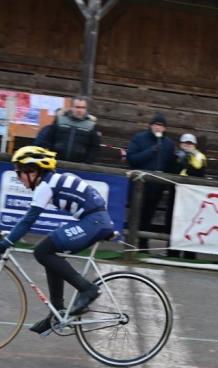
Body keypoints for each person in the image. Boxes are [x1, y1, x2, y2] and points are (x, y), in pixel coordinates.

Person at [0, 147, 114, 335]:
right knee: (49, 252)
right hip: (96, 220)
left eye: (19, 172)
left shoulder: (46, 186)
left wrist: (6, 243)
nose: (19, 177)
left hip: (94, 222)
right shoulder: (51, 181)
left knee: (42, 251)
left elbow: (28, 220)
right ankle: (57, 311)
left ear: (33, 170)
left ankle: (88, 290)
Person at [126, 112, 176, 251]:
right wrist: (151, 151)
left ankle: (143, 245)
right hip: (138, 186)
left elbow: (170, 165)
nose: (158, 128)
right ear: (150, 126)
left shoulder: (169, 144)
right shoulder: (139, 138)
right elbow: (132, 159)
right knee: (135, 214)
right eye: (155, 125)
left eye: (161, 126)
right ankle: (128, 244)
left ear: (165, 128)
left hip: (156, 188)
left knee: (149, 216)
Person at [34, 97, 100, 163]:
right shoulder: (60, 120)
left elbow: (94, 147)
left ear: (86, 109)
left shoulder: (91, 125)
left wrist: (87, 163)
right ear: (71, 107)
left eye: (83, 107)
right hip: (56, 162)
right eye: (77, 107)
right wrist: (48, 158)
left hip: (79, 165)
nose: (79, 110)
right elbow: (48, 140)